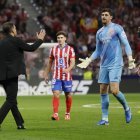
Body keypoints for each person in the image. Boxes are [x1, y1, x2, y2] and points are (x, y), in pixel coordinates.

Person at [77, 8, 136, 125]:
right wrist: (89, 60)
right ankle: (105, 119)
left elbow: (126, 44)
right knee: (103, 91)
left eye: (106, 15)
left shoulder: (117, 28)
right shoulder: (99, 32)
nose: (103, 16)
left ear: (111, 17)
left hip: (116, 63)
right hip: (103, 65)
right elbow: (97, 51)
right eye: (102, 15)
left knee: (114, 90)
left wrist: (130, 58)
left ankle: (127, 109)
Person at [0, 22, 46, 129]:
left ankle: (19, 123)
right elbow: (31, 48)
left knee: (12, 100)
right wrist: (40, 39)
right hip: (11, 75)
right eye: (15, 27)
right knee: (11, 100)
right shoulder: (16, 40)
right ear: (12, 29)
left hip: (2, 76)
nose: (16, 29)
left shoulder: (1, 43)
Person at [44, 31, 75, 120]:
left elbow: (73, 62)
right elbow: (50, 62)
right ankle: (56, 114)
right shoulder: (53, 49)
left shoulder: (70, 49)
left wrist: (68, 69)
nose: (60, 39)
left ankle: (67, 113)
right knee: (56, 93)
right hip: (56, 76)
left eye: (61, 38)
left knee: (68, 94)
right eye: (58, 38)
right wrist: (46, 73)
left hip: (67, 76)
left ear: (65, 38)